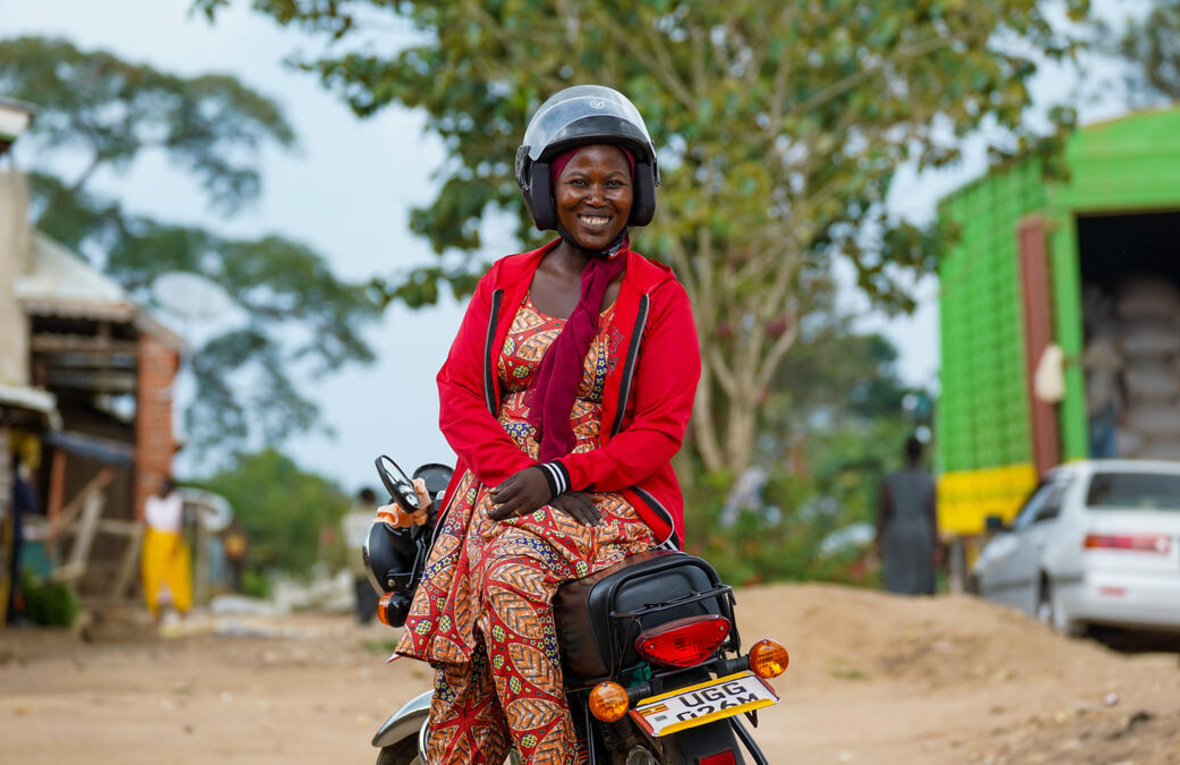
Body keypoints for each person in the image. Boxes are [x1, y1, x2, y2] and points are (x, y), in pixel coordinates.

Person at [389, 85, 700, 764]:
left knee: (507, 576)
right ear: (544, 190)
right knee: (476, 643)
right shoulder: (503, 281)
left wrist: (560, 473)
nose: (598, 197)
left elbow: (660, 429)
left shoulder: (660, 298)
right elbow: (460, 392)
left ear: (638, 192)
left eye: (614, 182)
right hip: (501, 490)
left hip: (610, 496)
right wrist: (517, 474)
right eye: (578, 181)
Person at [875, 436, 939, 595]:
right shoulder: (928, 480)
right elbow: (932, 514)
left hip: (897, 532)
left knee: (898, 580)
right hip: (921, 533)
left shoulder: (890, 480)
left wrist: (878, 541)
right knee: (922, 583)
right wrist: (937, 545)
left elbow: (884, 512)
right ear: (921, 454)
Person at [141, 476, 193, 620]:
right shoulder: (151, 502)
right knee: (154, 573)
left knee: (176, 574)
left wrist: (177, 543)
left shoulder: (177, 501)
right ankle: (155, 608)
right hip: (154, 541)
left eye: (165, 486)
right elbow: (146, 523)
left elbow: (182, 523)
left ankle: (181, 606)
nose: (161, 489)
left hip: (173, 541)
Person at [341, 486, 380, 624]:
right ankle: (366, 615)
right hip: (373, 554)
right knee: (371, 586)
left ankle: (363, 613)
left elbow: (343, 539)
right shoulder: (377, 516)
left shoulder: (349, 516)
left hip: (354, 555)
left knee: (359, 586)